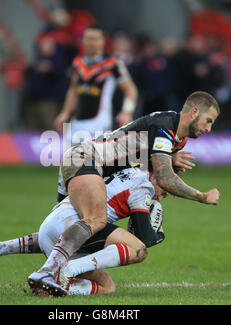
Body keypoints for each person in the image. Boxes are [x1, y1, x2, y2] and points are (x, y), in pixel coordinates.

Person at [30, 90, 220, 296]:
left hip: (85, 162)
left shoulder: (174, 137)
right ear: (193, 112)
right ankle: (48, 272)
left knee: (65, 226)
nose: (209, 129)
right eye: (208, 121)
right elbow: (165, 178)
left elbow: (136, 155)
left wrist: (168, 158)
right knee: (95, 220)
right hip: (86, 159)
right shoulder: (164, 126)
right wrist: (202, 196)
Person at [0, 167, 167, 296]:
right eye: (166, 191)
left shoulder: (128, 172)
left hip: (53, 221)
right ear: (159, 177)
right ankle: (63, 275)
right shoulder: (144, 186)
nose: (163, 196)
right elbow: (144, 240)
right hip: (74, 226)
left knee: (69, 237)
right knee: (118, 272)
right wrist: (158, 233)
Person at [54, 24, 138, 142]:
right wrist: (65, 112)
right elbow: (73, 90)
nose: (91, 43)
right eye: (88, 38)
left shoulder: (113, 65)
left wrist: (126, 111)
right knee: (71, 159)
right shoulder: (77, 63)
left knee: (94, 159)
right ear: (83, 40)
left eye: (95, 39)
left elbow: (131, 89)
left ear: (103, 41)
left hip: (100, 123)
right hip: (76, 123)